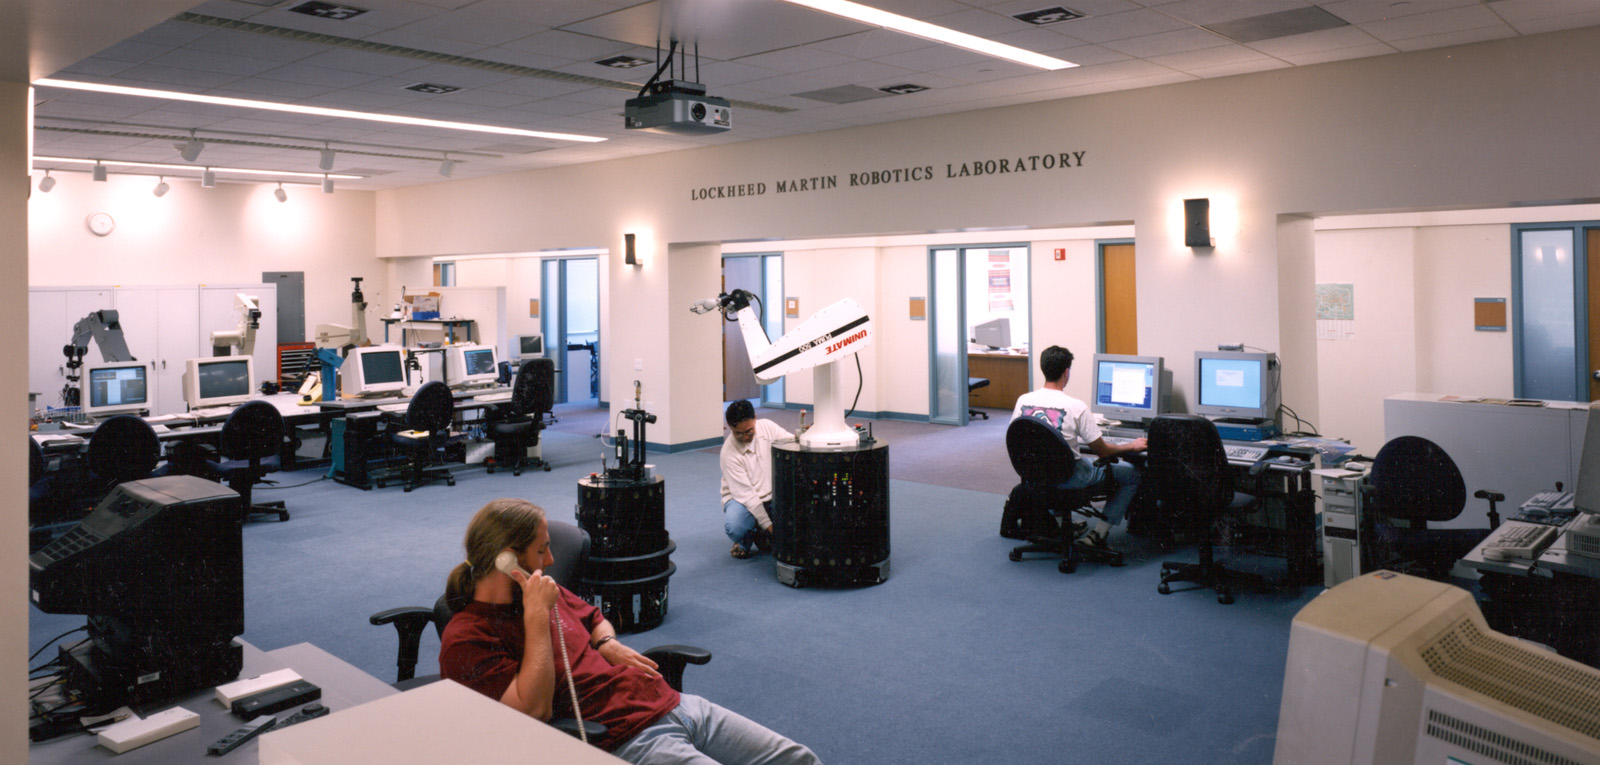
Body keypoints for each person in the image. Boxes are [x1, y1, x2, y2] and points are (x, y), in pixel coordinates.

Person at [439, 498, 822, 765]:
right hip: (625, 738)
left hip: (673, 704)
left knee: (800, 759)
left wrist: (606, 643)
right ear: (507, 558)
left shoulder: (541, 591)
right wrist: (537, 618)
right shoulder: (468, 638)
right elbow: (533, 709)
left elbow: (593, 618)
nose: (553, 561)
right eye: (542, 551)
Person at [1010, 345, 1147, 550]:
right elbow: (1103, 452)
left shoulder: (1023, 400)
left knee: (1057, 464)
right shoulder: (1076, 406)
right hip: (1071, 478)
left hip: (1034, 477)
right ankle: (1099, 533)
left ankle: (1059, 526)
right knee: (1133, 474)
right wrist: (1131, 446)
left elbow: (1016, 440)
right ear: (1067, 372)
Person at [719, 399, 793, 559]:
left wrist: (806, 436)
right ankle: (745, 539)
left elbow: (791, 442)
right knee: (736, 526)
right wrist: (771, 528)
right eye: (739, 433)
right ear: (730, 427)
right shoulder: (728, 454)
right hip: (741, 499)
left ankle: (760, 534)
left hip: (770, 495)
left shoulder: (767, 427)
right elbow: (748, 496)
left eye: (749, 431)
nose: (745, 436)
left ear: (755, 418)